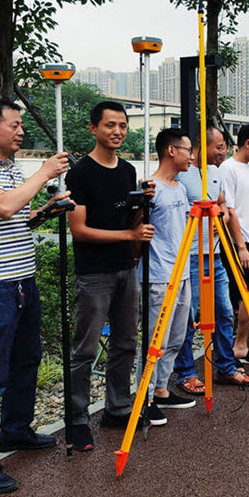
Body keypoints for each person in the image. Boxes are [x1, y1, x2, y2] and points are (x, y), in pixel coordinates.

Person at [0, 98, 69, 493]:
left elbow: (19, 216)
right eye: (15, 124)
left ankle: (15, 431)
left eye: (22, 124)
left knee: (27, 360)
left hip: (23, 280)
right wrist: (43, 172)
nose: (22, 131)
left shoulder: (7, 169)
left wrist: (47, 209)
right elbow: (4, 207)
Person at [65, 101, 155, 451]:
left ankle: (117, 409)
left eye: (122, 125)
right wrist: (129, 237)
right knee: (85, 349)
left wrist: (144, 202)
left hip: (125, 268)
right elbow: (80, 230)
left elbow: (133, 223)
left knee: (125, 343)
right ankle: (77, 420)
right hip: (94, 273)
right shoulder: (80, 173)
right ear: (93, 129)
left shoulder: (128, 170)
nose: (117, 131)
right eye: (109, 125)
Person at [174, 126, 249, 395]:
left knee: (224, 312)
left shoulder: (217, 174)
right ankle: (186, 373)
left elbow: (221, 204)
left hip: (216, 255)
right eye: (219, 146)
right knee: (187, 318)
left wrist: (219, 213)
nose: (223, 151)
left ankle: (225, 366)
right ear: (202, 146)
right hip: (189, 257)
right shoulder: (182, 174)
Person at [137, 129, 198, 427]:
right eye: (188, 150)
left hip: (182, 272)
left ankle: (161, 388)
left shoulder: (180, 188)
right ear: (171, 151)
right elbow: (136, 229)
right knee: (154, 340)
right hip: (159, 275)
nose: (192, 156)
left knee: (175, 337)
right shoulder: (150, 188)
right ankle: (142, 398)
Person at [218, 123, 249, 364]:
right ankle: (231, 346)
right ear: (248, 143)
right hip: (240, 243)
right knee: (238, 297)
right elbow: (229, 210)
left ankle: (241, 345)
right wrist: (241, 246)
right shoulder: (228, 168)